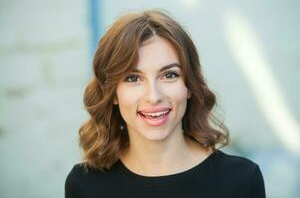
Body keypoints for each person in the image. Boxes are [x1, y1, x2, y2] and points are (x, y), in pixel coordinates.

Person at [65, 10, 265, 198]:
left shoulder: (241, 180)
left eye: (169, 75)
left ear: (189, 86)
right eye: (133, 78)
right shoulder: (85, 185)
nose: (153, 96)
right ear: (113, 93)